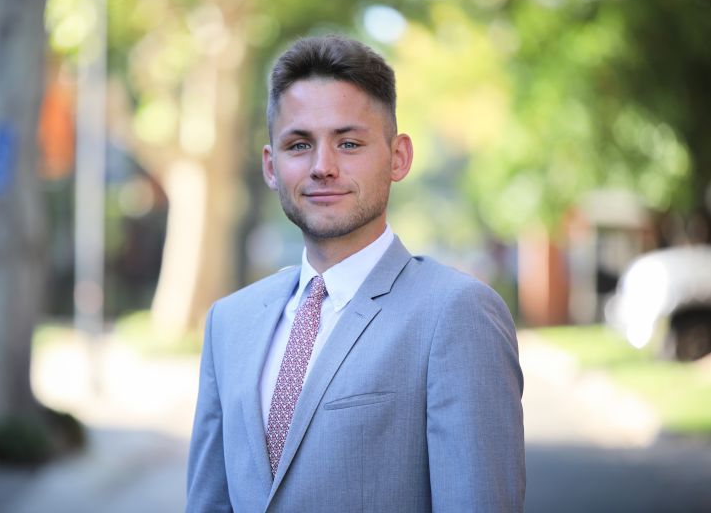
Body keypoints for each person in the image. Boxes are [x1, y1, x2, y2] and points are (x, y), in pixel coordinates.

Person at [186, 35, 525, 512]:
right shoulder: (229, 322)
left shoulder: (456, 314)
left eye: (349, 143)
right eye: (299, 144)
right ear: (271, 166)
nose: (323, 167)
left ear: (398, 157)